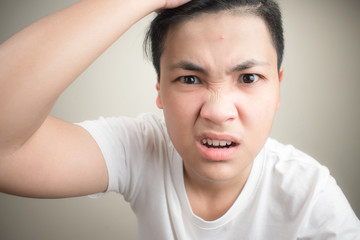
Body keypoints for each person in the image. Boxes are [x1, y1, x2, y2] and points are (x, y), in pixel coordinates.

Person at [0, 0, 359, 239]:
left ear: (277, 88)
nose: (218, 112)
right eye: (190, 79)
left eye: (248, 78)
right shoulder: (141, 147)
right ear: (160, 88)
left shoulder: (311, 196)